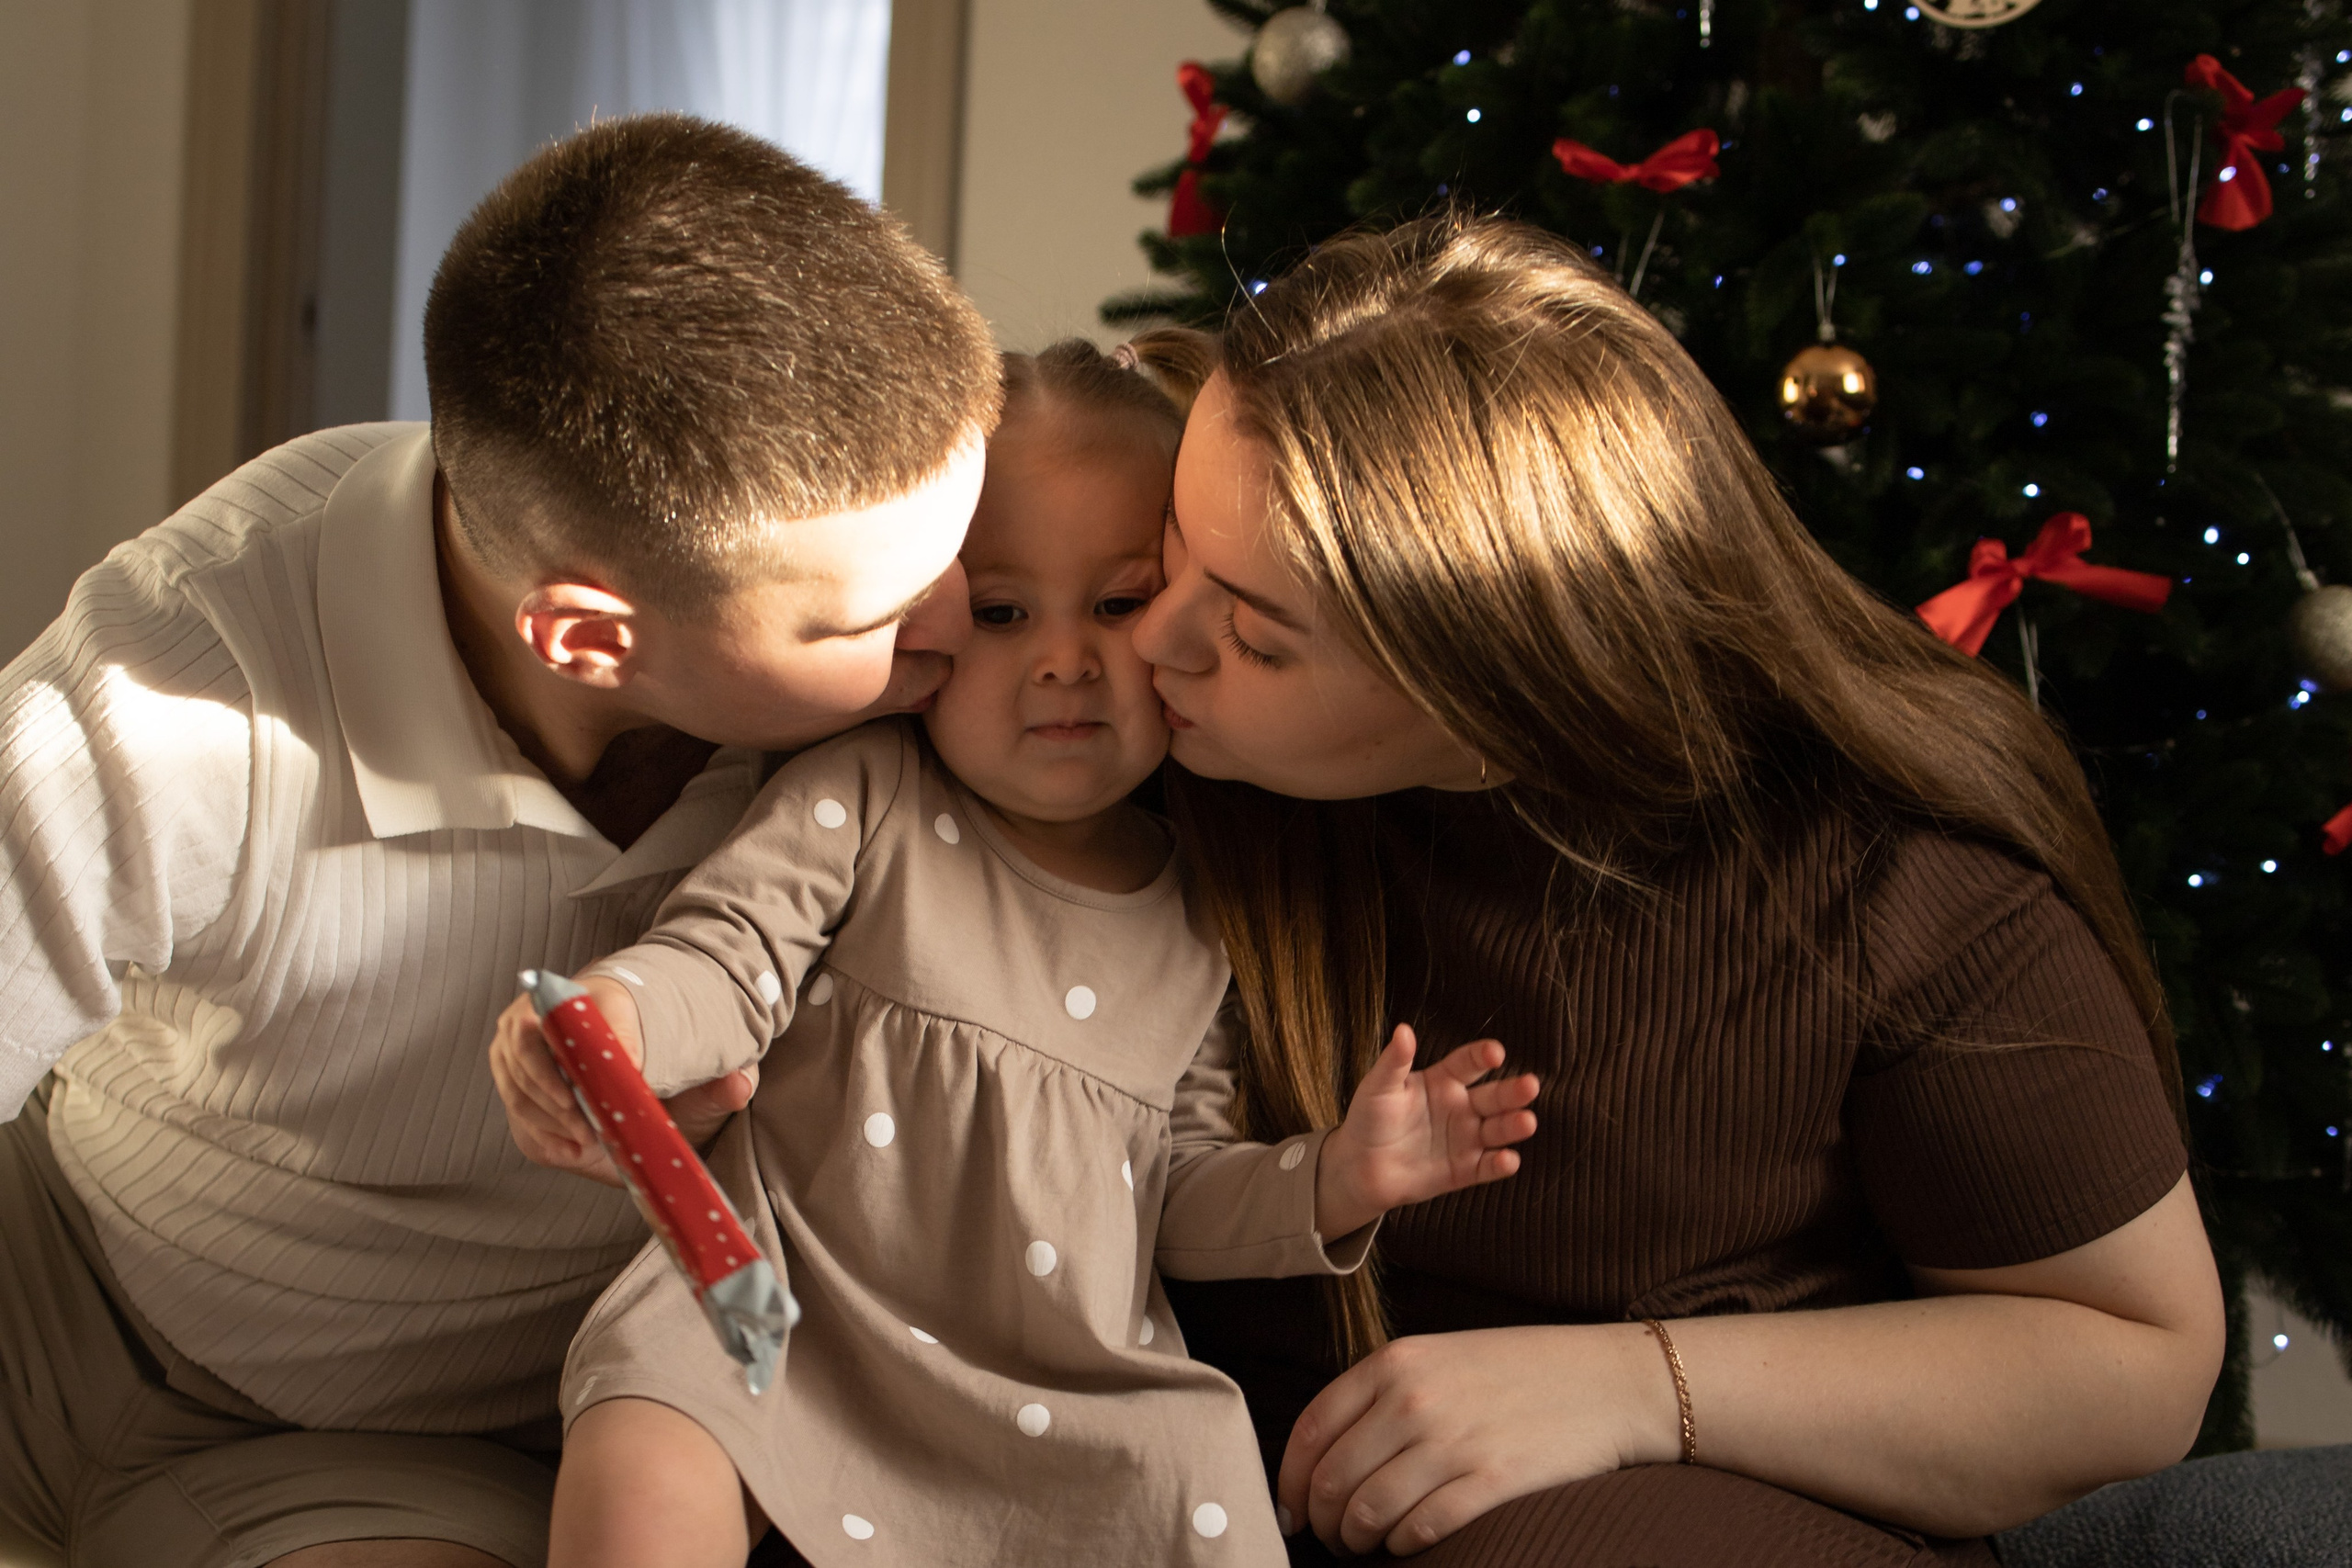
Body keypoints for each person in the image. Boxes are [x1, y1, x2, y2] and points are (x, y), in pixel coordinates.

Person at [1130, 212, 2226, 1566]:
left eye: (1249, 632)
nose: (1152, 637)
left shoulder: (1896, 873)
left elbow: (2135, 1367)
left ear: (1494, 676)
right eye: (1165, 552)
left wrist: (1636, 1385)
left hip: (1708, 1503)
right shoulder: (1159, 762)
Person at [0, 114, 997, 1568]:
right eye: (871, 621)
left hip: (398, 1449)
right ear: (593, 638)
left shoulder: (887, 694)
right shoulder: (176, 689)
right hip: (52, 1274)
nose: (963, 625)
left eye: (961, 552)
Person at [486, 339, 1544, 1568]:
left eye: (1117, 602)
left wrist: (1334, 1181)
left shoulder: (1201, 918)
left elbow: (1176, 1194)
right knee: (647, 1438)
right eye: (1001, 613)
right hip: (777, 1318)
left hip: (1055, 1380)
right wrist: (616, 1013)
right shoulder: (865, 796)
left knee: (1191, 1470)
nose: (1064, 659)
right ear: (926, 623)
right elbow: (727, 963)